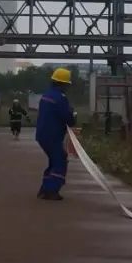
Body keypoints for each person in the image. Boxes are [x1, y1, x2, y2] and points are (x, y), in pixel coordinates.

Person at [35, 68, 76, 201]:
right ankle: (51, 190)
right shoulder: (60, 98)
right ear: (63, 84)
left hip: (42, 135)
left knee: (54, 161)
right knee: (60, 161)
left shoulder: (46, 95)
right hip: (52, 136)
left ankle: (44, 189)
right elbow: (67, 117)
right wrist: (72, 115)